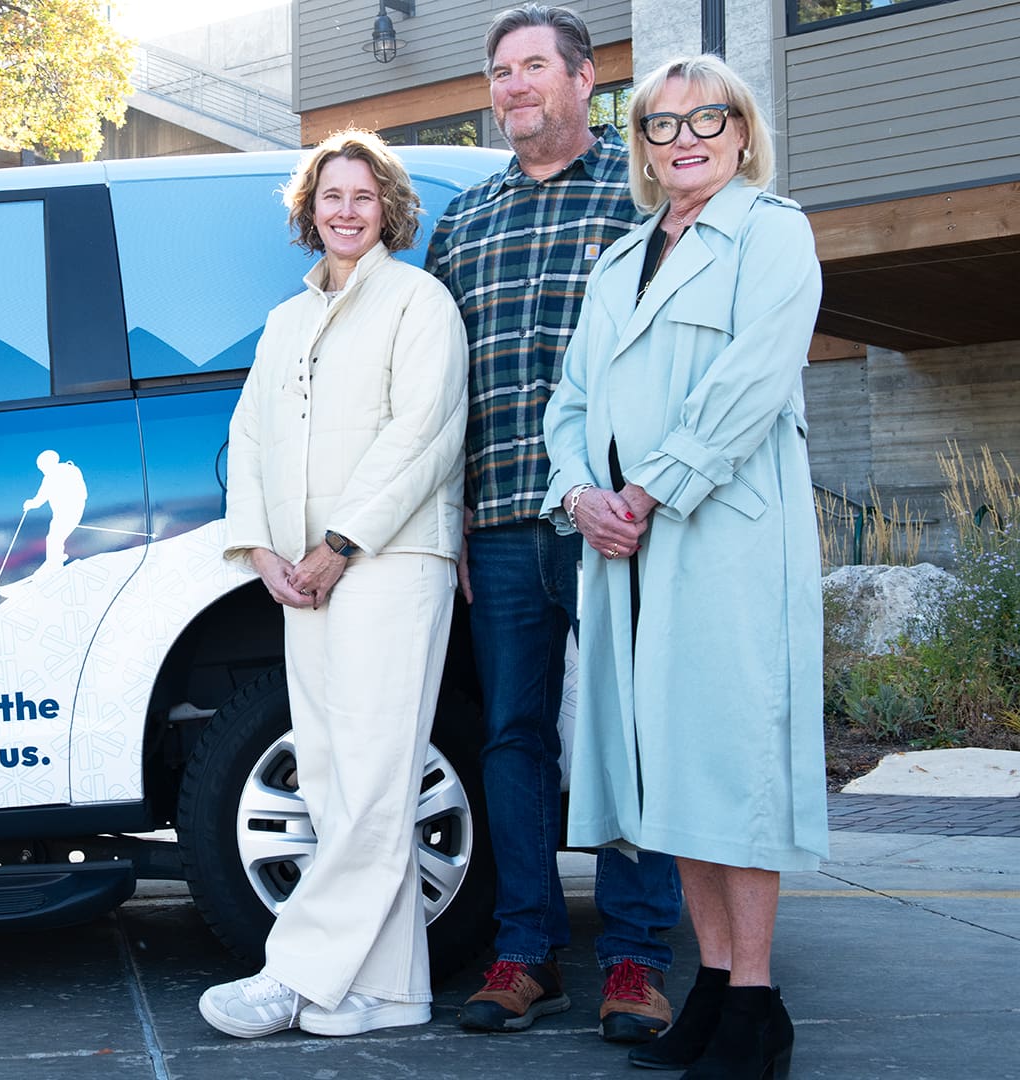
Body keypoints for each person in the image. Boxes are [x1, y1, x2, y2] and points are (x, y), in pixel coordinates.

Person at [542, 54, 827, 1079]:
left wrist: (650, 490)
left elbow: (753, 380)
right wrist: (580, 496)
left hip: (722, 539)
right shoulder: (619, 261)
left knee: (730, 765)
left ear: (742, 132)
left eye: (707, 120)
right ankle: (711, 986)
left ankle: (756, 1004)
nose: (685, 139)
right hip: (622, 549)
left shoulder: (772, 232)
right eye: (661, 127)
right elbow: (569, 402)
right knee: (669, 774)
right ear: (644, 151)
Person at [425, 2, 683, 1042]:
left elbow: (679, 359)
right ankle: (527, 953)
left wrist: (656, 492)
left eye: (535, 66)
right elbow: (440, 396)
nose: (515, 85)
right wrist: (450, 531)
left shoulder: (645, 199)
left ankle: (636, 959)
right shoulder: (465, 220)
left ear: (585, 82)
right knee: (513, 738)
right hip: (498, 523)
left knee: (629, 735)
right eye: (501, 71)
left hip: (616, 524)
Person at [203, 130, 468, 1039]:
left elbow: (424, 435)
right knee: (331, 776)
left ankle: (296, 971)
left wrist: (340, 543)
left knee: (374, 773)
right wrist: (264, 551)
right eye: (330, 196)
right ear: (308, 211)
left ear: (386, 206)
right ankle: (392, 992)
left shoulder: (418, 302)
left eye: (362, 195)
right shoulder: (287, 322)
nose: (346, 211)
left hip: (390, 564)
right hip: (302, 575)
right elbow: (250, 440)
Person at [22, 449, 87, 574]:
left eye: (41, 467)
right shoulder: (68, 471)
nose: (42, 470)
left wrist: (30, 504)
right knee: (54, 537)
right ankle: (55, 559)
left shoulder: (55, 475)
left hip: (68, 511)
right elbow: (40, 498)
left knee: (54, 538)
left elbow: (40, 498)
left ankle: (54, 564)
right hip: (67, 511)